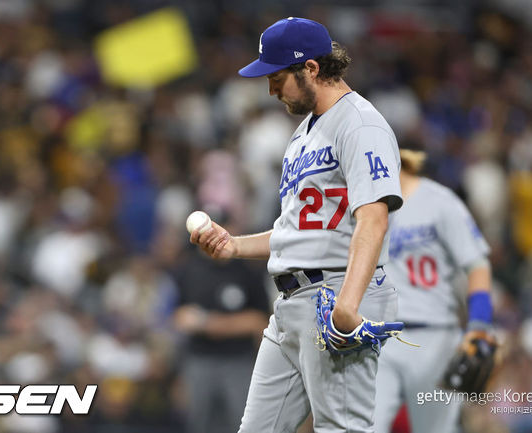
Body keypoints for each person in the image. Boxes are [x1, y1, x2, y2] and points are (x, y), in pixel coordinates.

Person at [190, 17, 404, 433]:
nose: (270, 89)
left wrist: (349, 302)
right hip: (290, 305)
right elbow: (299, 230)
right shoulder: (304, 133)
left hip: (335, 293)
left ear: (311, 68)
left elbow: (374, 218)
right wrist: (234, 245)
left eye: (277, 76)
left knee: (340, 428)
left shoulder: (361, 124)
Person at [373, 146, 493, 433]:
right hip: (380, 340)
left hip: (435, 337)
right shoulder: (364, 208)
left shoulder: (439, 202)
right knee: (364, 427)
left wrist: (478, 325)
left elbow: (477, 266)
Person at [172, 211, 270, 433]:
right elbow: (178, 317)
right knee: (197, 425)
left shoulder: (247, 269)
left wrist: (208, 323)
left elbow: (259, 321)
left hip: (238, 362)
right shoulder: (189, 269)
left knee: (243, 425)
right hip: (199, 360)